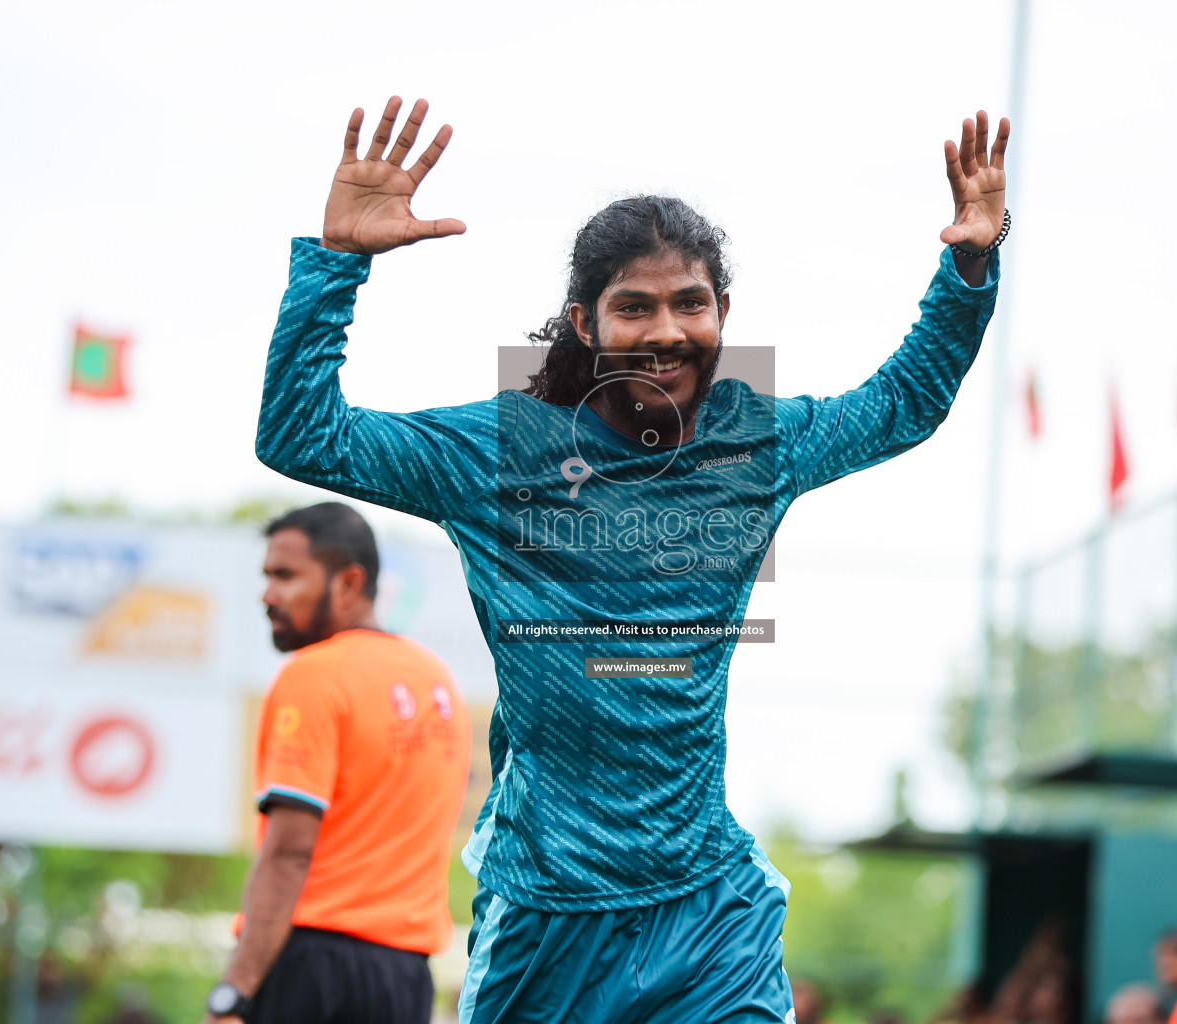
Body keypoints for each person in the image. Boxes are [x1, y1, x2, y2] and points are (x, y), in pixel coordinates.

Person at [257, 94, 1007, 1022]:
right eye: (634, 306)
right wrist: (337, 265)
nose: (666, 330)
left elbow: (905, 403)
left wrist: (971, 259)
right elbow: (302, 436)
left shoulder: (755, 443)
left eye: (690, 302)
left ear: (722, 311)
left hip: (707, 909)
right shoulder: (501, 450)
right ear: (584, 323)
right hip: (548, 917)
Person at [204, 503, 472, 1024]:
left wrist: (234, 993)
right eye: (266, 576)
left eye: (285, 576)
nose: (267, 595)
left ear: (349, 583)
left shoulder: (314, 675)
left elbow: (289, 852)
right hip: (404, 978)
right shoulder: (437, 681)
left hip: (310, 967)